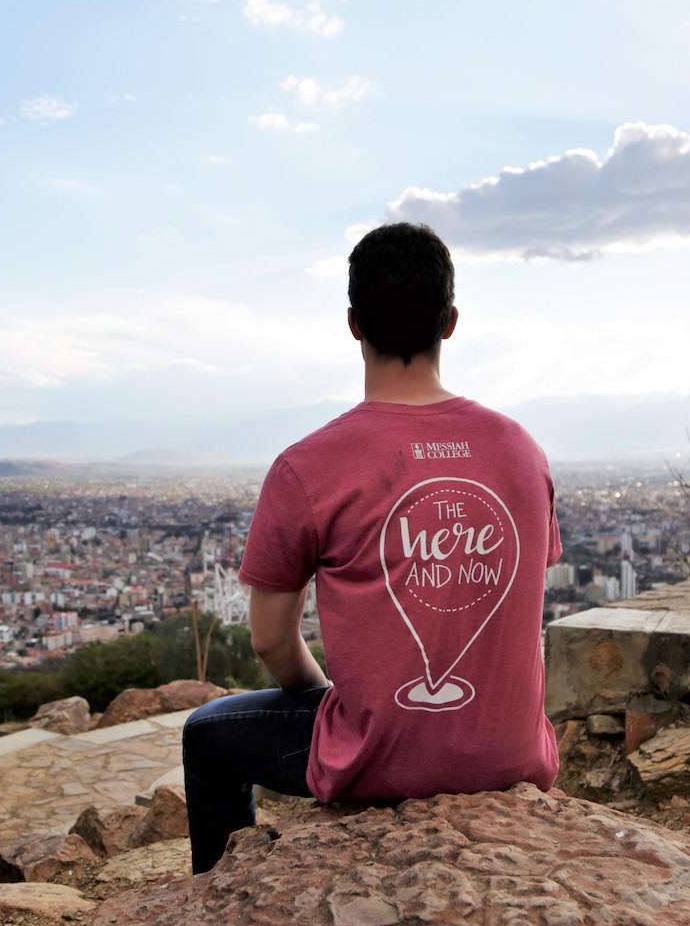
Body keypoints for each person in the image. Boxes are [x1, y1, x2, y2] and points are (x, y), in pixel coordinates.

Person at [181, 221, 565, 875]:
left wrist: (328, 701)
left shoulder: (308, 467)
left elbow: (272, 642)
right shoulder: (521, 451)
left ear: (354, 323)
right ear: (450, 322)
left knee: (206, 735)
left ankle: (221, 893)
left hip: (379, 760)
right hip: (512, 758)